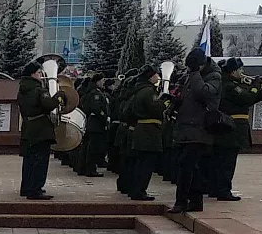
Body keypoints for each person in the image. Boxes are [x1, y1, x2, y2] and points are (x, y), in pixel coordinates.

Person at [209, 54, 262, 200]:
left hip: (229, 128)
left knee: (221, 160)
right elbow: (246, 98)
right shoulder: (229, 86)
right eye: (240, 69)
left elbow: (246, 100)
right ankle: (223, 191)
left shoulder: (229, 84)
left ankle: (216, 189)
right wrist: (256, 85)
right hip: (232, 129)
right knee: (227, 161)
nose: (242, 72)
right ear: (233, 71)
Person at [168, 53, 220, 215]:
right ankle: (196, 200)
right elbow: (185, 97)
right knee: (190, 166)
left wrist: (195, 72)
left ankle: (181, 201)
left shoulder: (214, 76)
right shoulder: (191, 76)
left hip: (200, 128)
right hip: (186, 127)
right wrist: (172, 105)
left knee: (186, 164)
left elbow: (203, 93)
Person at [118, 65, 165, 201]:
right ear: (150, 77)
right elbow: (155, 108)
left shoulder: (138, 90)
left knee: (139, 163)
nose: (157, 77)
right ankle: (139, 191)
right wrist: (164, 102)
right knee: (146, 164)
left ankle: (135, 189)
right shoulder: (148, 91)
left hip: (140, 129)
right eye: (156, 75)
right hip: (149, 131)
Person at [16, 59, 61, 199]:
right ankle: (35, 189)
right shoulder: (39, 90)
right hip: (41, 130)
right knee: (40, 160)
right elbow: (49, 105)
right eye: (39, 72)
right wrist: (59, 96)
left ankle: (26, 187)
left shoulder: (22, 90)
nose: (41, 75)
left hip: (28, 128)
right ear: (33, 74)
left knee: (29, 160)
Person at [75, 73, 110, 177]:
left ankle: (83, 168)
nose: (103, 83)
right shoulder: (95, 94)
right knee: (93, 148)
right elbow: (96, 108)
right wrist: (104, 117)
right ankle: (91, 170)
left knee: (87, 147)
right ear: (97, 81)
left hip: (91, 123)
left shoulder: (91, 92)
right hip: (95, 124)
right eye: (102, 80)